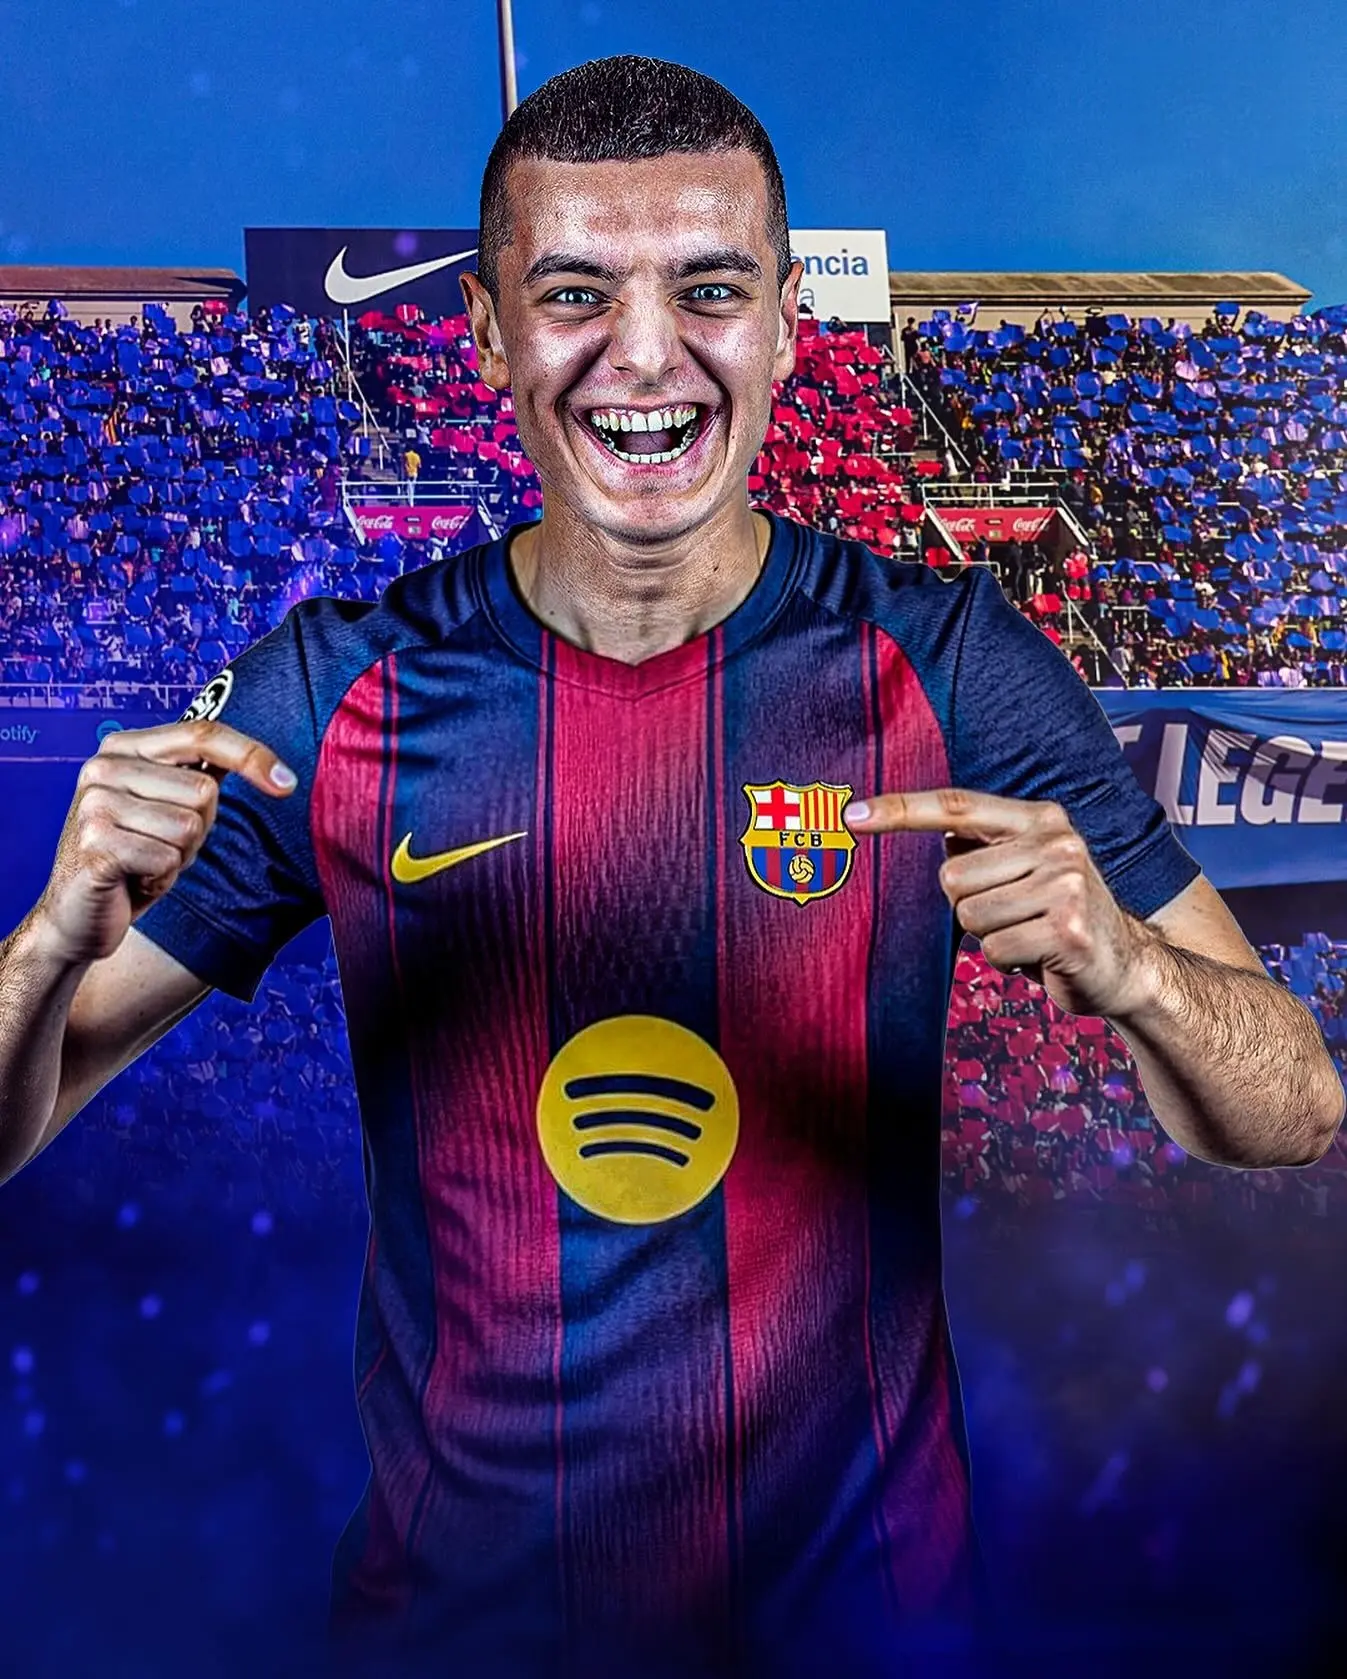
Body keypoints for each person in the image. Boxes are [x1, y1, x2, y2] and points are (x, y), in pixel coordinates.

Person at [0, 52, 1341, 1679]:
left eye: (708, 288)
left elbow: (1294, 1107)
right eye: (574, 292)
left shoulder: (950, 664)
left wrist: (1130, 975)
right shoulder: (335, 693)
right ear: (485, 333)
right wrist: (46, 945)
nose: (645, 354)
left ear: (783, 324)